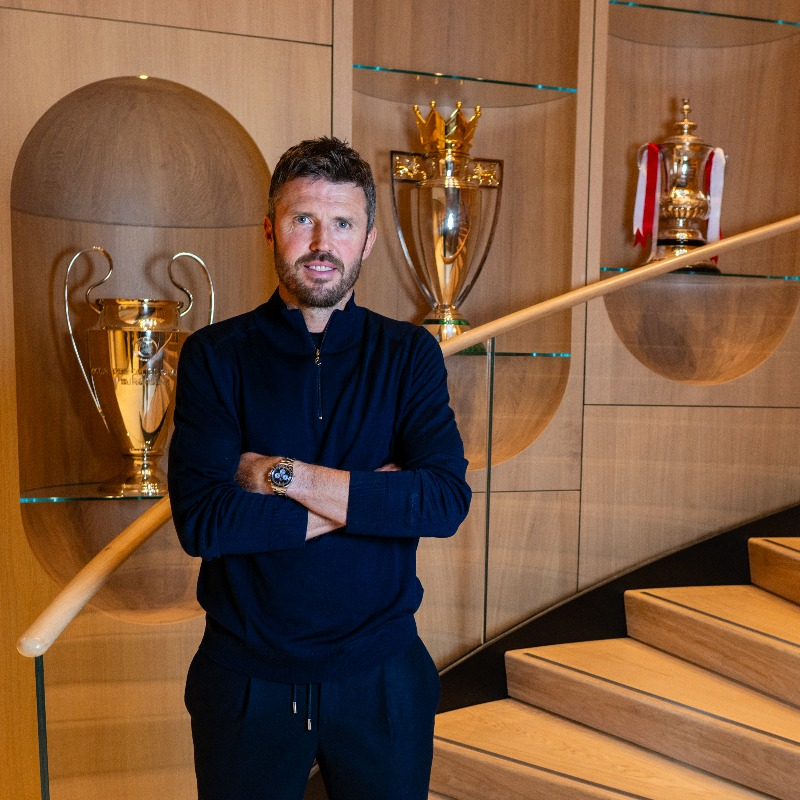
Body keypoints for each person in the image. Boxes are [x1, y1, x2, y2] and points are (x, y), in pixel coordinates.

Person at [168, 136, 471, 800]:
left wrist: (279, 474)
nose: (320, 243)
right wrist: (370, 502)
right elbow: (204, 521)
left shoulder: (408, 355)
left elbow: (443, 501)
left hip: (383, 676)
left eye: (342, 223)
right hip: (246, 681)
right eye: (302, 218)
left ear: (368, 240)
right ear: (270, 229)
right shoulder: (215, 356)